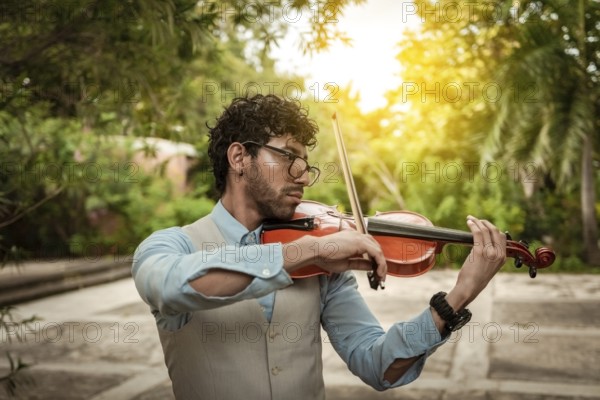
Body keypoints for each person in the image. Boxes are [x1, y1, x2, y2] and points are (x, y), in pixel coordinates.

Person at [131, 94, 507, 399]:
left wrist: (457, 298)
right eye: (288, 157)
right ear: (239, 158)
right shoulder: (172, 245)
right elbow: (172, 287)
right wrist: (311, 251)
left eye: (305, 164)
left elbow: (378, 365)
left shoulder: (323, 271)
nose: (302, 176)